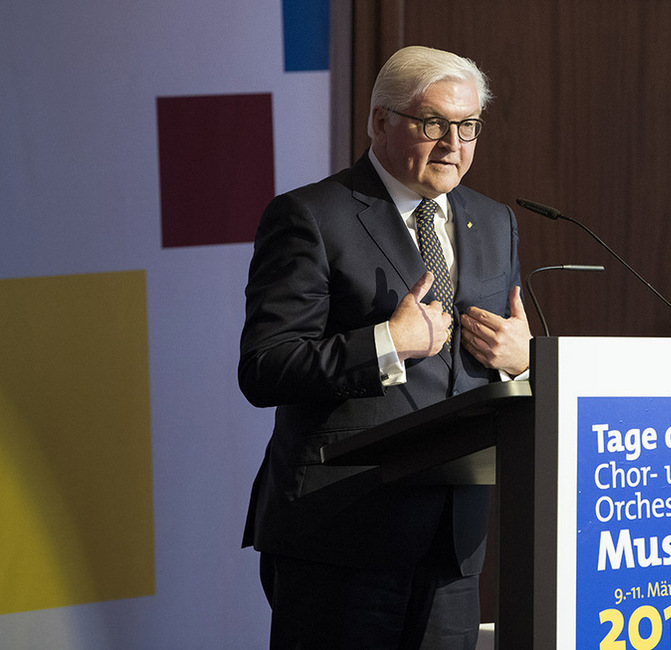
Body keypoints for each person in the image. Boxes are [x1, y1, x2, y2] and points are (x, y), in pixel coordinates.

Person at [238, 45, 532, 649]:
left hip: (453, 543)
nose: (454, 144)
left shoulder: (494, 221)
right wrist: (386, 344)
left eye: (468, 126)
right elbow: (265, 368)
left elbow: (509, 349)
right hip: (342, 536)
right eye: (433, 124)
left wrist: (524, 358)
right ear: (380, 121)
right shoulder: (311, 216)